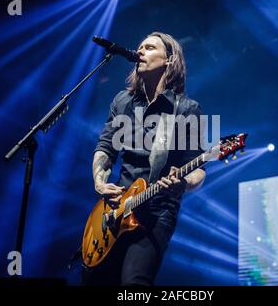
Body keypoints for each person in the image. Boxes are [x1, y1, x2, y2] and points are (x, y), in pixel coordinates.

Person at [82, 32, 206, 286]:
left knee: (134, 282)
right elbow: (105, 147)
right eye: (139, 46)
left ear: (170, 61)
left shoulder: (185, 109)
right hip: (115, 212)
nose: (140, 51)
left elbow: (198, 170)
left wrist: (182, 183)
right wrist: (98, 181)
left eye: (149, 47)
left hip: (157, 212)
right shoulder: (123, 101)